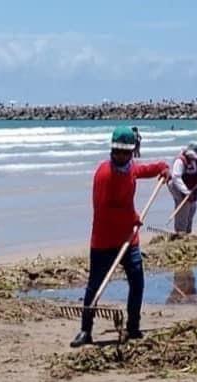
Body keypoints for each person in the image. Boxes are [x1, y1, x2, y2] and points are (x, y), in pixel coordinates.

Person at [70, 126, 169, 348]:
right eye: (118, 152)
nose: (122, 156)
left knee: (137, 281)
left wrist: (162, 168)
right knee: (94, 285)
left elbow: (142, 170)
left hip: (128, 238)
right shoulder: (104, 175)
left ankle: (133, 327)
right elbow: (103, 210)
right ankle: (86, 330)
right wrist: (132, 217)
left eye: (127, 152)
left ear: (132, 151)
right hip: (104, 239)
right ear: (112, 150)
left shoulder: (129, 168)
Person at [168, 143, 197, 234]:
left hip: (193, 187)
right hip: (178, 188)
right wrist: (185, 191)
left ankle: (188, 231)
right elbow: (176, 177)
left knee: (192, 209)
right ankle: (180, 232)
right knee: (183, 210)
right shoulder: (180, 160)